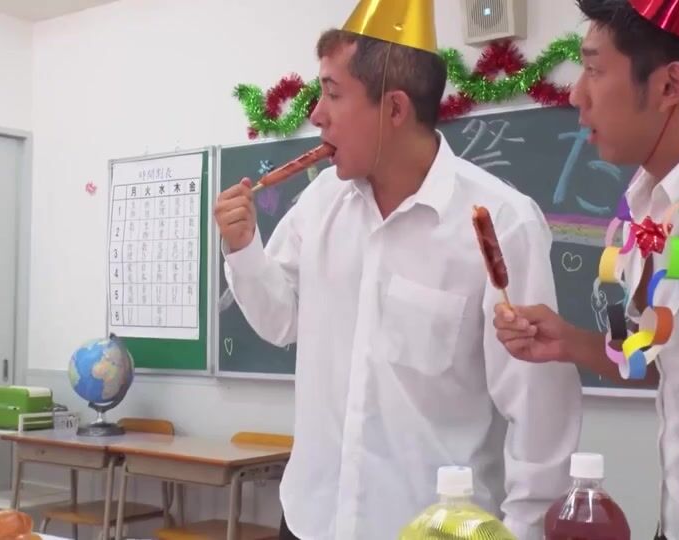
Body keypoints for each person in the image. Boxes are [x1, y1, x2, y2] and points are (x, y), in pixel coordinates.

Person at [214, 1, 583, 538]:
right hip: (312, 519)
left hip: (434, 527)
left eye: (333, 94)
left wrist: (523, 530)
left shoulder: (498, 223)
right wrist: (244, 248)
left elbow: (539, 411)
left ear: (394, 109)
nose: (316, 115)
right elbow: (282, 321)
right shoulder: (321, 202)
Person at [493, 0, 679, 539]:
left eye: (593, 69)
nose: (575, 95)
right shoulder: (653, 200)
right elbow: (670, 364)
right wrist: (569, 342)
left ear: (669, 86)